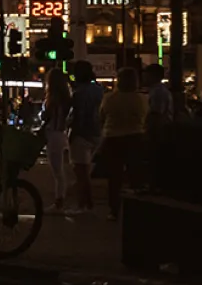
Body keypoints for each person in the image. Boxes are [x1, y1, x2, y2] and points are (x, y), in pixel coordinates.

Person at [98, 67, 150, 221]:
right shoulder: (141, 98)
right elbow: (146, 117)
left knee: (115, 177)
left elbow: (101, 116)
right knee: (136, 174)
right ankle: (137, 208)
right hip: (135, 136)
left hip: (113, 137)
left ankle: (114, 210)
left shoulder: (109, 98)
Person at [68, 60, 104, 214]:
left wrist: (72, 134)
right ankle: (87, 204)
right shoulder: (99, 90)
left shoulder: (79, 94)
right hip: (97, 132)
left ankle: (84, 205)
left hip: (82, 135)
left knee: (81, 171)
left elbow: (79, 117)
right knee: (86, 171)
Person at [42, 64, 73, 213]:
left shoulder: (53, 99)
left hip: (53, 133)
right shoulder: (66, 98)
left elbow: (46, 116)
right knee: (59, 170)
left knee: (57, 171)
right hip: (60, 133)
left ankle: (59, 201)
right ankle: (59, 199)